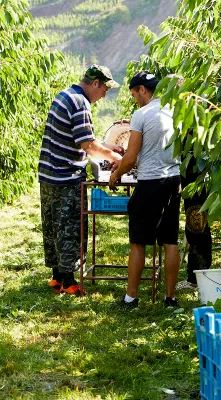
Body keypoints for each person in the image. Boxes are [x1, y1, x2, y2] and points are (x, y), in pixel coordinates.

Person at [38, 64, 123, 295]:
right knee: (70, 228)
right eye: (104, 90)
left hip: (49, 173)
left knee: (53, 225)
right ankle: (69, 283)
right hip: (65, 175)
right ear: (95, 83)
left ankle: (57, 277)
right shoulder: (80, 103)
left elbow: (81, 137)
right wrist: (115, 156)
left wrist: (108, 146)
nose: (104, 96)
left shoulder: (66, 95)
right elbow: (87, 145)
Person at [109, 71, 181, 309]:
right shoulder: (175, 111)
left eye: (134, 94)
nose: (135, 99)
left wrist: (117, 173)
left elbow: (131, 157)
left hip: (150, 183)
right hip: (173, 180)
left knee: (138, 241)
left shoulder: (141, 114)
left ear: (142, 89)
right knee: (170, 241)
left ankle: (131, 298)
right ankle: (170, 298)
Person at [177, 153, 212, 291]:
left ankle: (196, 278)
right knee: (195, 229)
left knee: (197, 229)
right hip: (193, 178)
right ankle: (197, 276)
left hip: (196, 179)